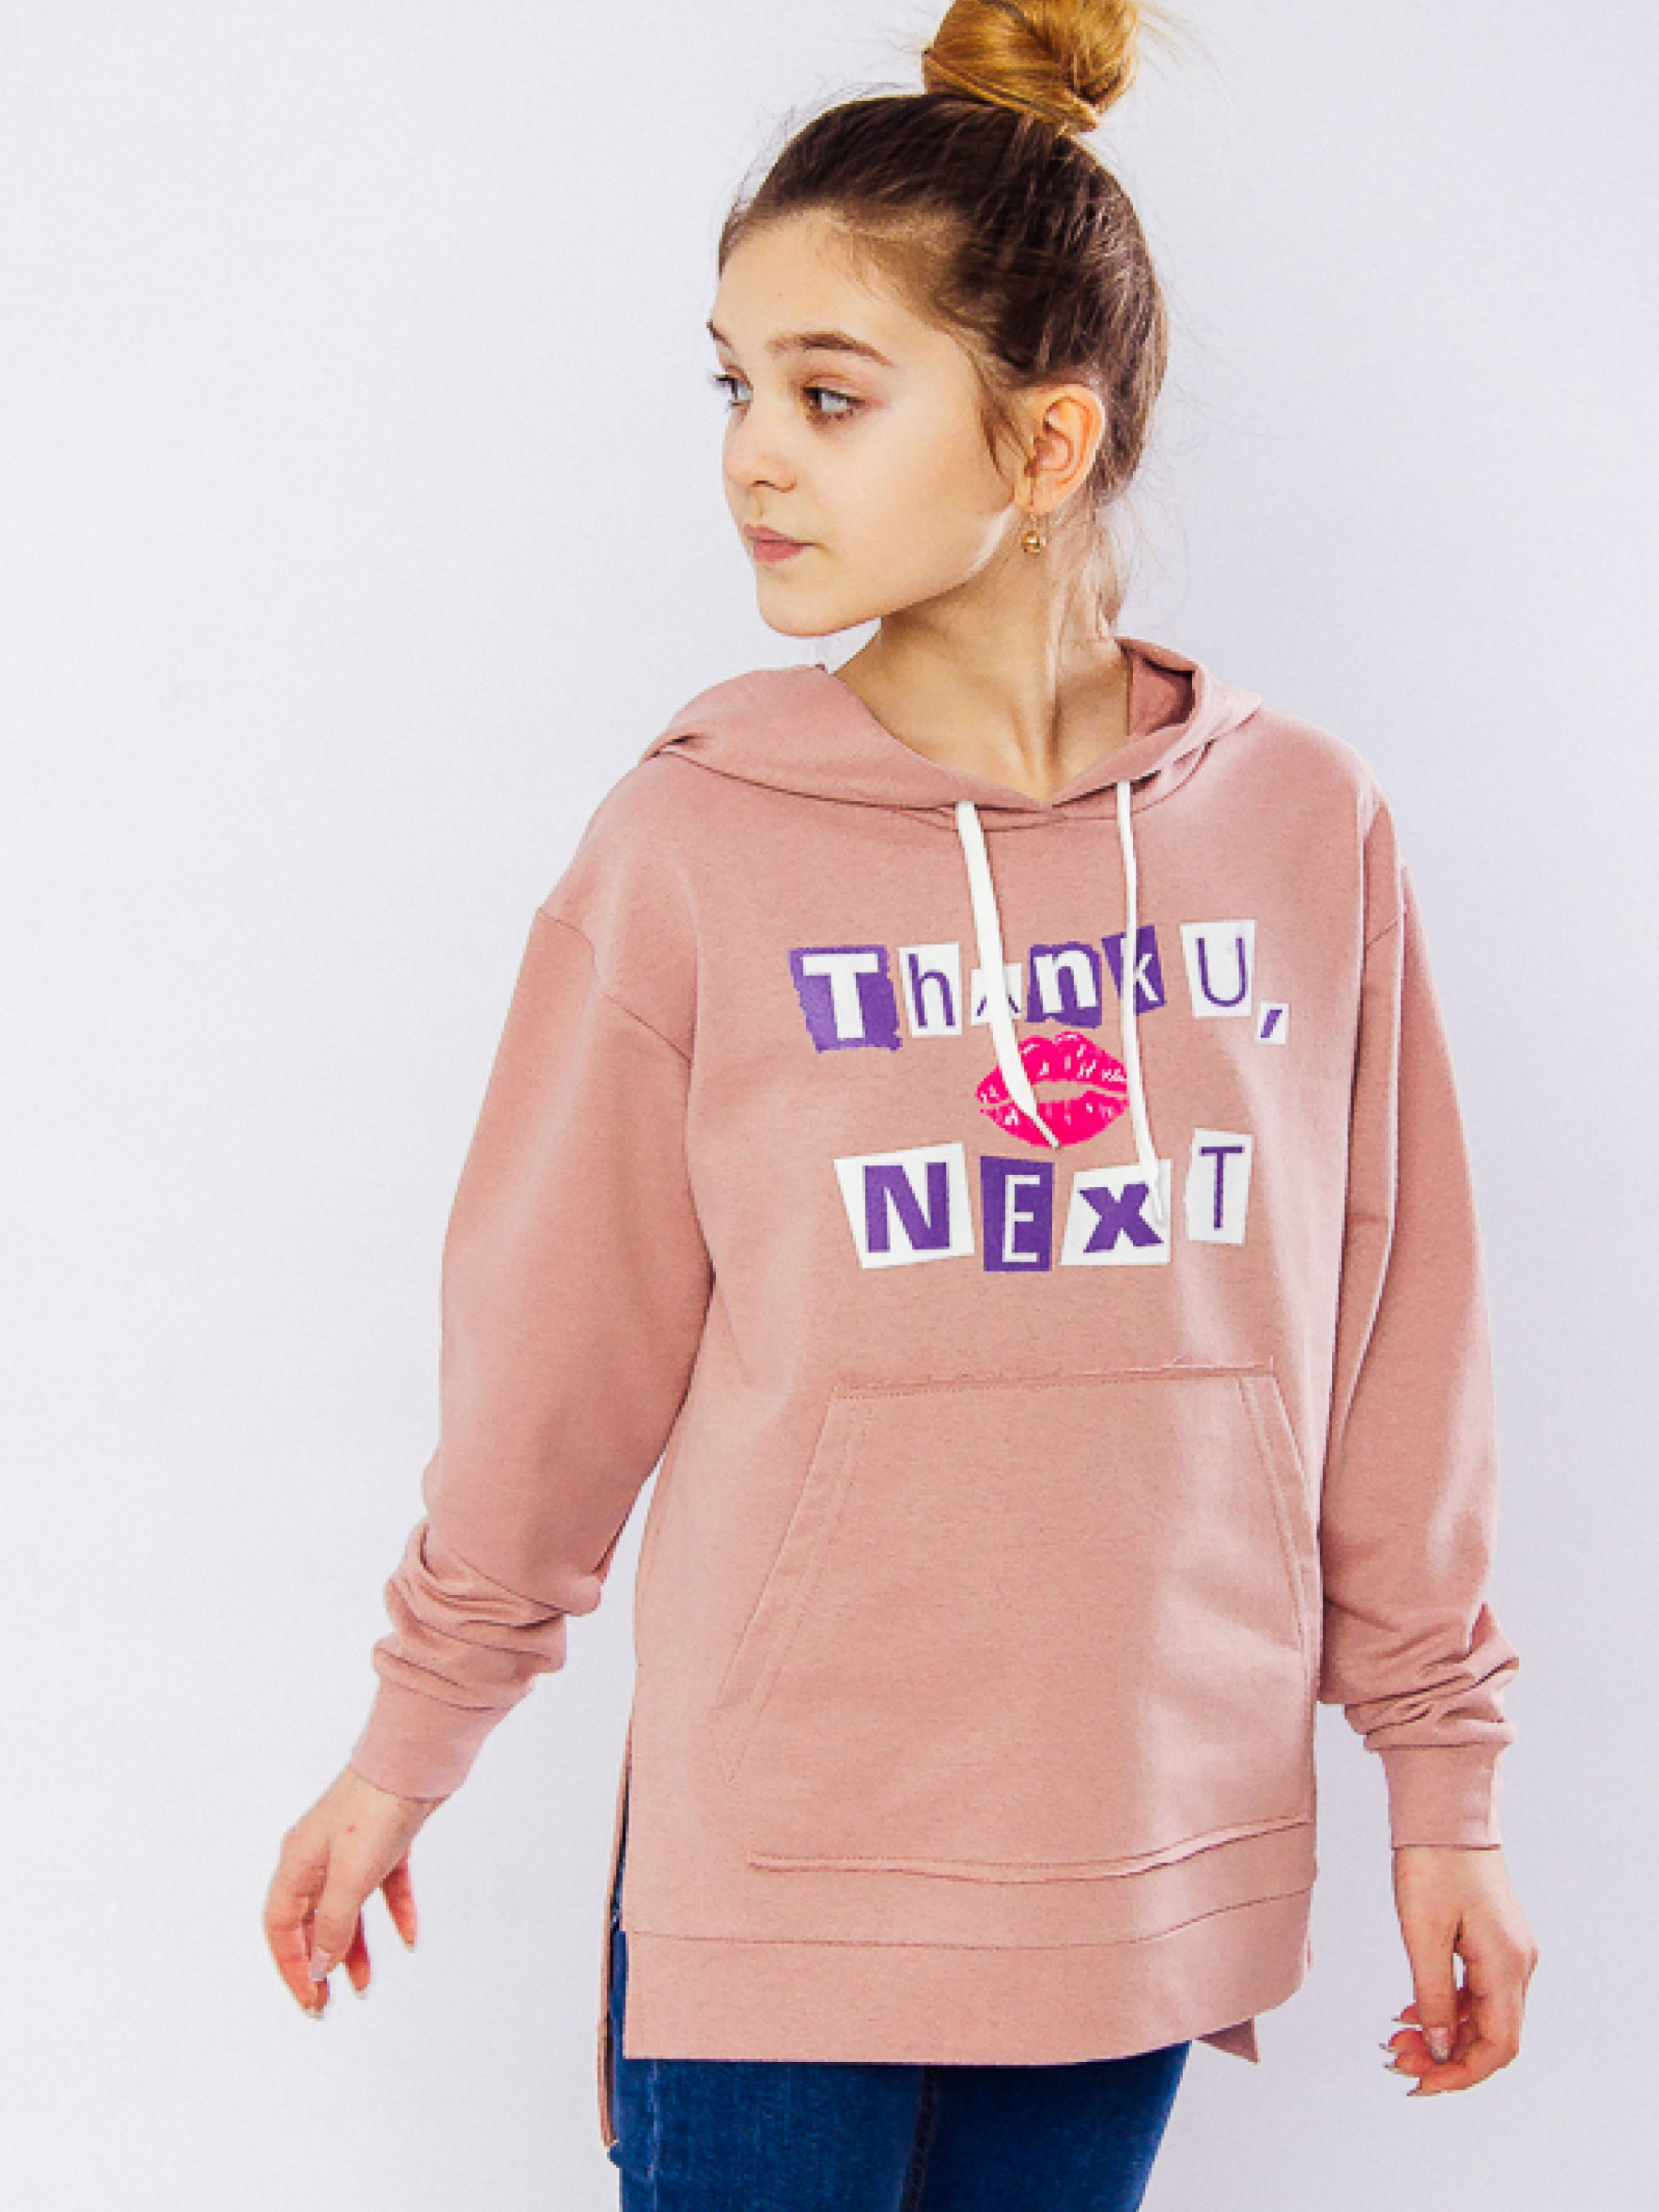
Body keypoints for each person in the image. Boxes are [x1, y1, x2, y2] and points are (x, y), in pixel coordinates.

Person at [264, 1, 1539, 2202]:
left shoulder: (1301, 827)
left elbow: (1394, 1333)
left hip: (1141, 1851)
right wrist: (408, 1745)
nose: (754, 458)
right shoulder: (691, 846)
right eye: (736, 388)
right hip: (787, 1871)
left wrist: (1448, 1786)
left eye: (829, 396)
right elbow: (552, 1359)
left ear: (1044, 443)